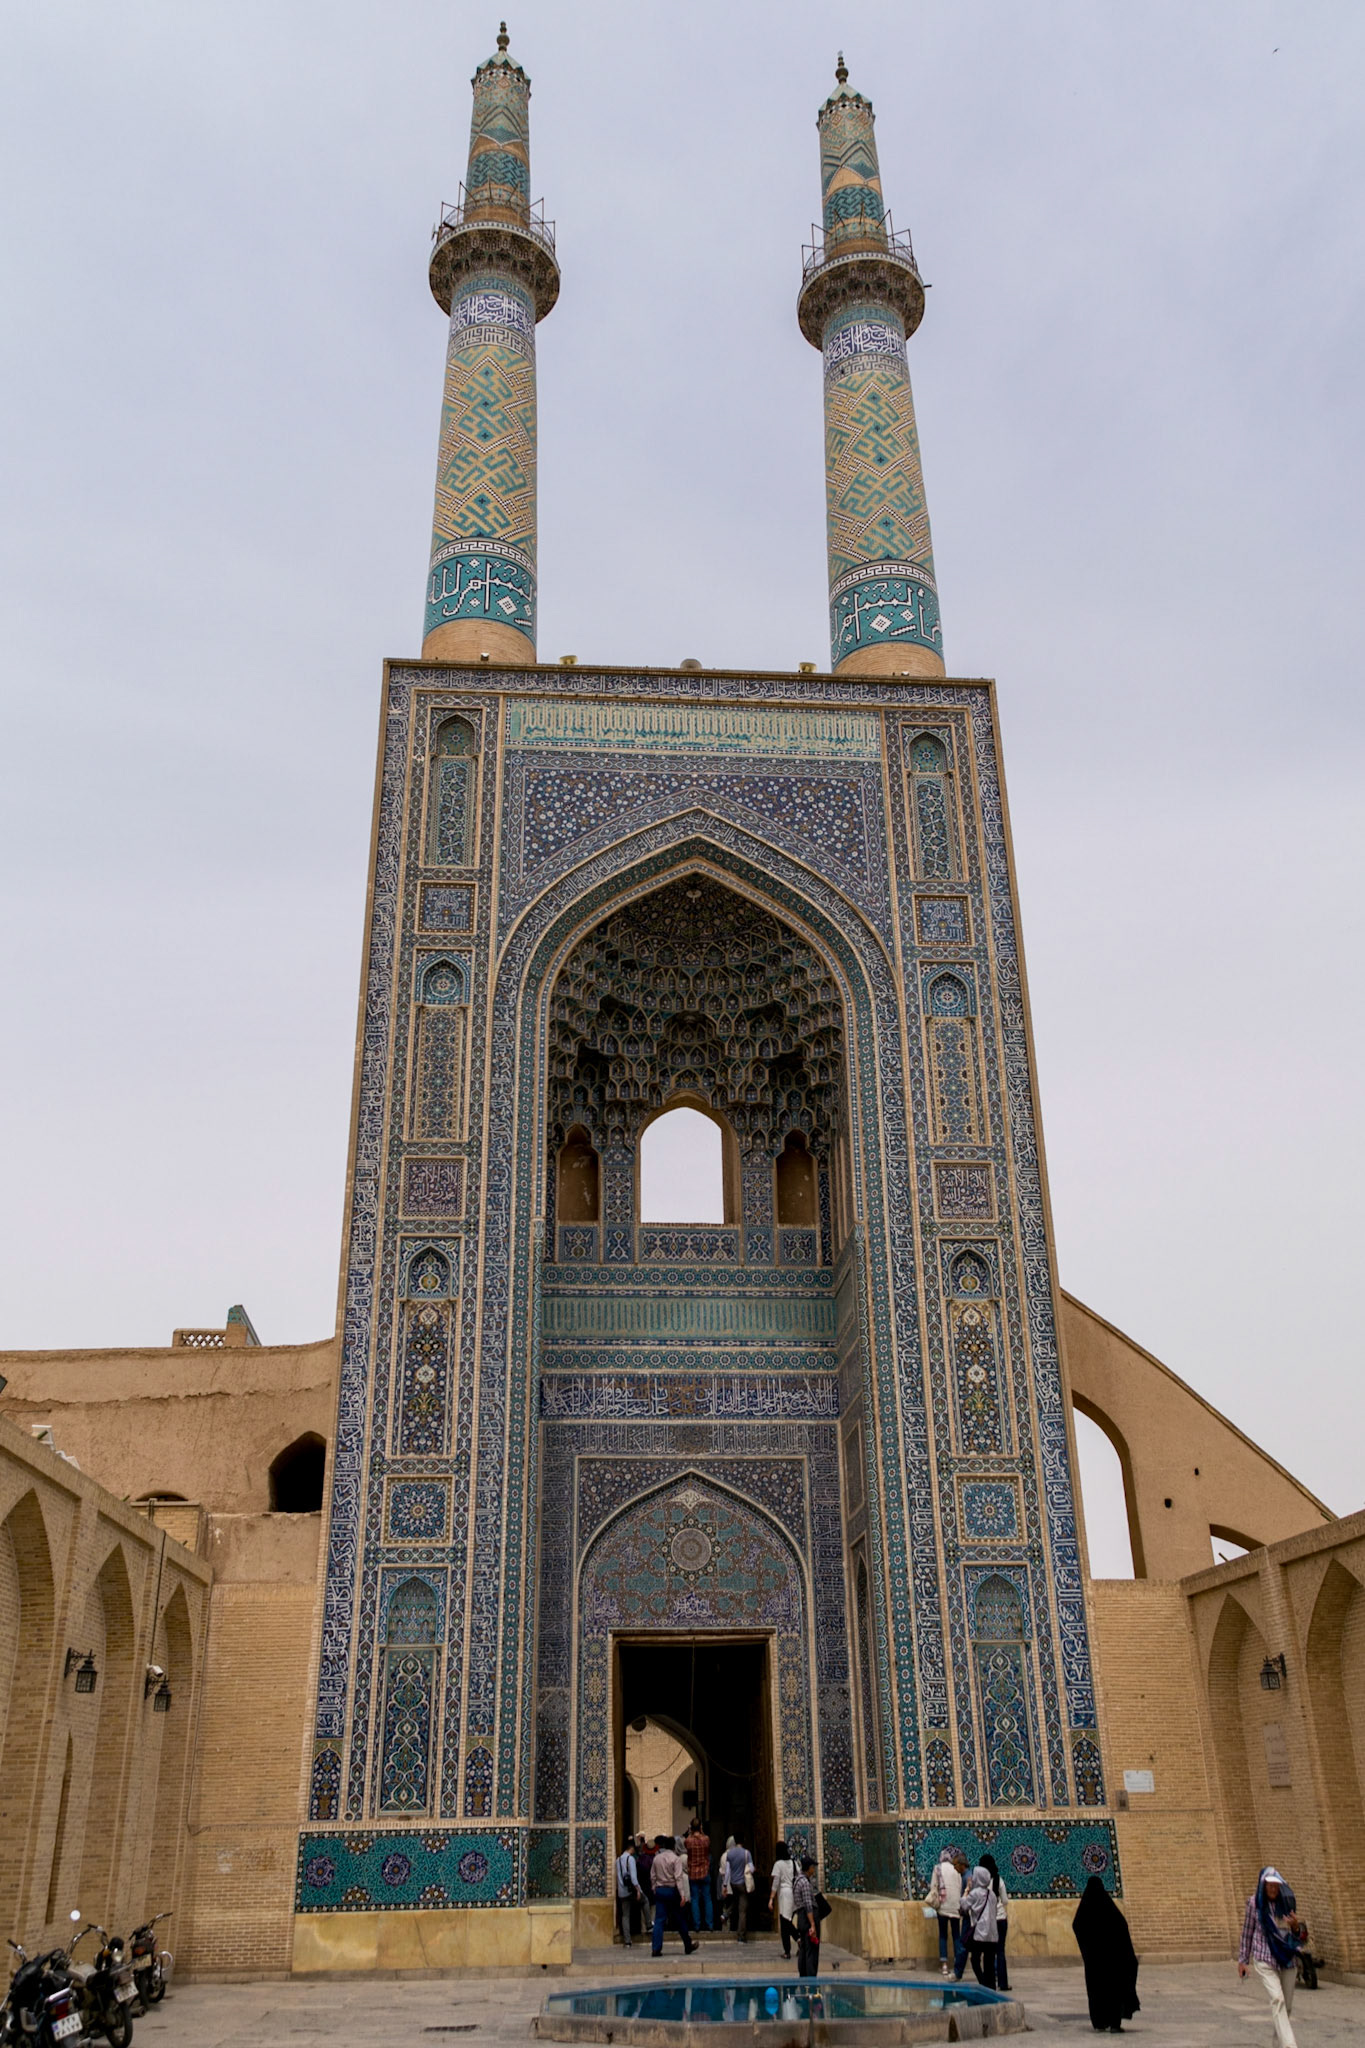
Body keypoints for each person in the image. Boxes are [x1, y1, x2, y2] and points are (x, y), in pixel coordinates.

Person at [1238, 1866, 1306, 2048]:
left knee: (1286, 2007)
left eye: (1276, 1885)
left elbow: (1299, 1939)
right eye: (1270, 1885)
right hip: (1264, 1958)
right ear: (1263, 1885)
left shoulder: (1287, 1903)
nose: (1273, 1889)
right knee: (1277, 2000)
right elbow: (1248, 1932)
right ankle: (1290, 2045)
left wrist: (1295, 1927)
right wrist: (1243, 1960)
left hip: (1287, 1960)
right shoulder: (1255, 1904)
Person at [1072, 1876, 1140, 2033]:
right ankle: (1115, 2023)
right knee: (1113, 1991)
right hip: (1112, 1962)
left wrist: (1088, 1951)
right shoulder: (1110, 1911)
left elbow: (1077, 1925)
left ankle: (1100, 2022)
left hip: (1094, 1963)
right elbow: (1122, 1929)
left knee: (1097, 1992)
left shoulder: (1085, 1910)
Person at [649, 1834, 698, 1958]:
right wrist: (682, 1895)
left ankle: (656, 1948)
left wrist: (654, 1888)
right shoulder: (675, 1859)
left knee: (659, 1920)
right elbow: (678, 1878)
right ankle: (687, 1944)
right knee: (679, 1918)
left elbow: (653, 1876)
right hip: (672, 1891)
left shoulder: (657, 1858)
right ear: (674, 1846)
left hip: (660, 1891)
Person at [926, 1847, 964, 1978]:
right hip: (955, 1906)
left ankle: (944, 1966)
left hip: (943, 1906)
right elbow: (959, 1887)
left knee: (943, 1935)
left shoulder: (937, 1868)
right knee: (956, 1935)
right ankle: (958, 1964)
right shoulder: (956, 1869)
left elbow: (933, 1886)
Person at [960, 1866, 999, 1987]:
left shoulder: (975, 1893)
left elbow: (964, 1906)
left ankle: (982, 1984)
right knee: (989, 1963)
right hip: (992, 1935)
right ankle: (991, 1987)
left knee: (975, 1960)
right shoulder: (991, 1894)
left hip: (980, 1934)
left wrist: (966, 1890)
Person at [980, 1855, 1010, 1991]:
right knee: (1000, 1952)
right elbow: (1005, 1901)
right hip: (1001, 1919)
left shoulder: (981, 1882)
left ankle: (989, 1982)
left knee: (989, 1952)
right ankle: (1003, 1983)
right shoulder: (999, 1879)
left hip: (989, 1921)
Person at [793, 1855, 821, 1978]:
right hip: (807, 1919)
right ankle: (811, 1981)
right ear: (809, 1868)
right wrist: (813, 1925)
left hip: (802, 1919)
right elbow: (808, 1905)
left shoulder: (798, 1880)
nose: (814, 1870)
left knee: (804, 1949)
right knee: (811, 1951)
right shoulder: (804, 1882)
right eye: (813, 1867)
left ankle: (804, 1978)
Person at [723, 1834, 755, 1941]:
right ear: (743, 1840)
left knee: (736, 1901)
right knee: (742, 1911)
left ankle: (726, 1914)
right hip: (742, 1884)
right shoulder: (746, 1853)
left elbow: (727, 1871)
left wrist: (725, 1885)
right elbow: (751, 1868)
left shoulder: (730, 1854)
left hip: (733, 1883)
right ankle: (741, 1935)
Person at [769, 1840, 797, 1960]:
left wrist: (771, 1899)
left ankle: (787, 1951)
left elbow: (776, 1883)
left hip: (785, 1895)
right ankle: (800, 1940)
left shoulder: (778, 1864)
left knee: (785, 1924)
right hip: (794, 1894)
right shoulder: (794, 1863)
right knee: (788, 1922)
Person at [614, 1838, 644, 1948]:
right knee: (645, 1901)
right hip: (631, 1890)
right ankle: (649, 1925)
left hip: (622, 1892)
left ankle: (627, 1941)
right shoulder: (630, 1859)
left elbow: (618, 1876)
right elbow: (634, 1877)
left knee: (625, 1915)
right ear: (631, 1848)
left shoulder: (617, 1860)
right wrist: (638, 1890)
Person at [686, 1820, 714, 1932]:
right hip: (704, 1871)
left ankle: (697, 1925)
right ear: (701, 1827)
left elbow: (687, 1842)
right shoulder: (706, 1839)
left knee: (695, 1899)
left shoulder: (688, 1841)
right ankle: (710, 1924)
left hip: (693, 1872)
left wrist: (690, 1832)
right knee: (707, 1898)